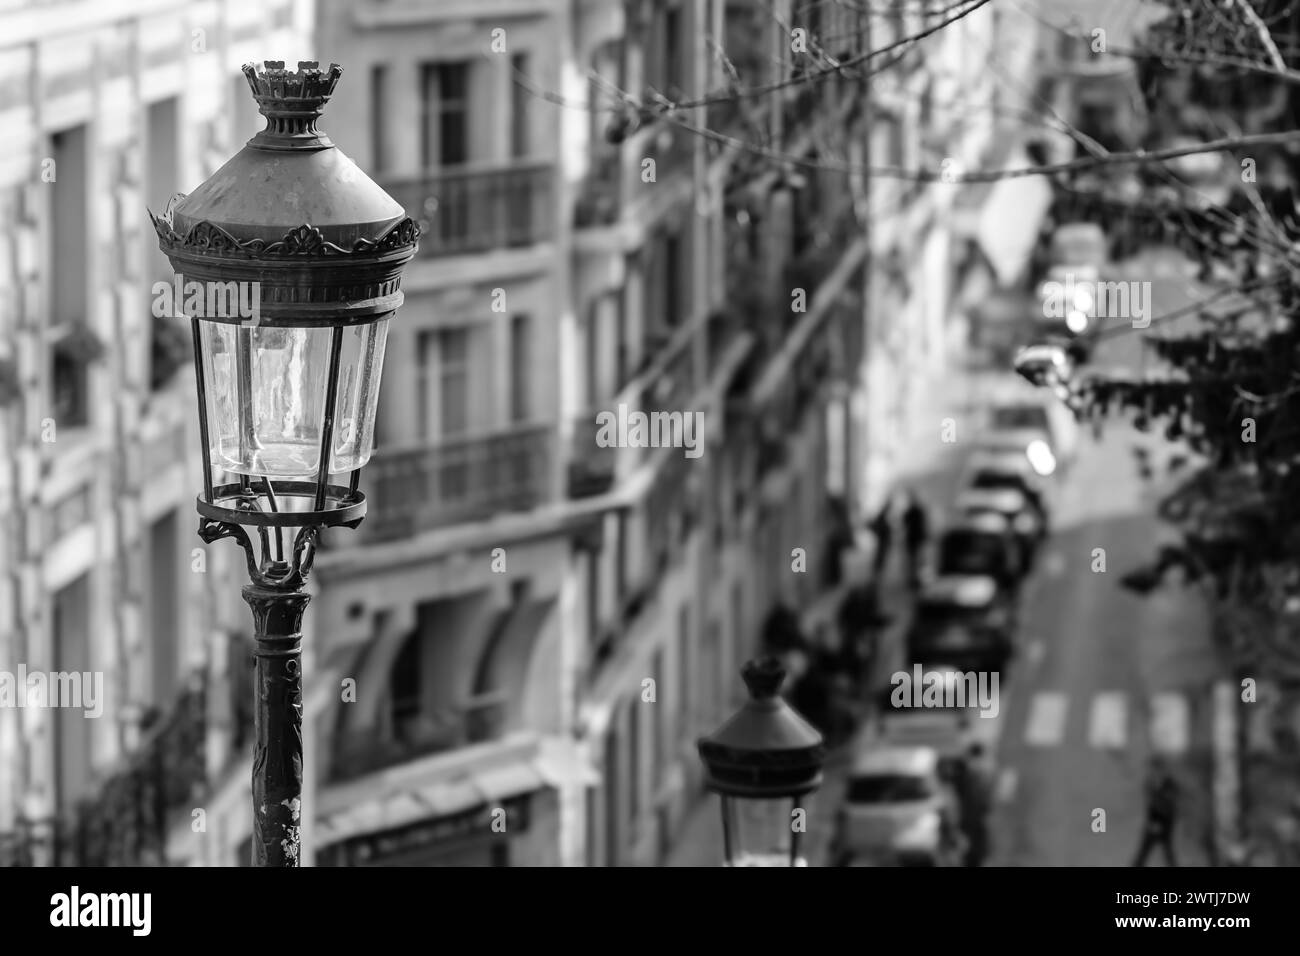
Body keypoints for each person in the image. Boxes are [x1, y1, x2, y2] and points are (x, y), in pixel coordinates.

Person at [1133, 757, 1180, 867]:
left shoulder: (1169, 784)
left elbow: (1170, 804)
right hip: (1154, 821)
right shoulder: (1150, 783)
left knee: (1166, 852)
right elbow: (1151, 803)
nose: (1151, 771)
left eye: (1153, 768)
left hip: (1164, 823)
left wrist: (1161, 821)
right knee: (1145, 852)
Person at [956, 742, 994, 867]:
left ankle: (976, 858)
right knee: (977, 841)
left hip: (972, 814)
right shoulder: (984, 769)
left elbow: (974, 795)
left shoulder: (973, 770)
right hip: (976, 814)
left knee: (973, 842)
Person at [901, 491, 931, 590]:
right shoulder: (919, 511)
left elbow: (904, 523)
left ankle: (915, 580)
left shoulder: (909, 511)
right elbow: (924, 525)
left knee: (914, 562)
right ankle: (918, 580)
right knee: (919, 561)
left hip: (913, 539)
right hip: (917, 539)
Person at [868, 496, 894, 579]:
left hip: (883, 541)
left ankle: (876, 579)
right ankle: (875, 580)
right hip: (882, 542)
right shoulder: (882, 516)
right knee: (879, 562)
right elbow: (879, 528)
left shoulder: (883, 516)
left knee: (880, 562)